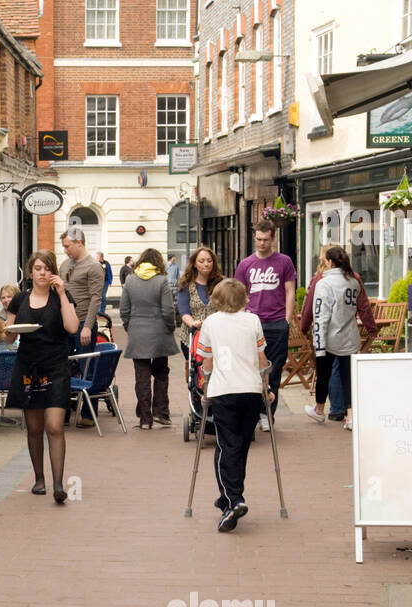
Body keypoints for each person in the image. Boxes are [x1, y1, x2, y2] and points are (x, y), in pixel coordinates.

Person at [196, 279, 271, 533]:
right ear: (243, 299)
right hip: (250, 391)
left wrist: (204, 390)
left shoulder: (210, 323)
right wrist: (266, 388)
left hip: (224, 392)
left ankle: (233, 499)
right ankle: (228, 496)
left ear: (216, 300)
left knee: (225, 446)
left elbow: (207, 363)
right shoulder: (253, 321)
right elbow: (262, 361)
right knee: (239, 446)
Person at [6, 250, 79, 503]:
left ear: (53, 272)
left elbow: (72, 328)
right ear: (30, 272)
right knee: (35, 428)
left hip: (56, 366)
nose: (42, 273)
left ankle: (58, 484)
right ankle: (39, 478)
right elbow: (9, 335)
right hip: (28, 366)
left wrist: (61, 293)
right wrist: (6, 329)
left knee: (54, 426)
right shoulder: (20, 300)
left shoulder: (62, 297)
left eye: (47, 268)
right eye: (38, 268)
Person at [300, 252, 376, 422]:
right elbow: (362, 307)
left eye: (325, 260)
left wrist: (318, 344)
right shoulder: (354, 282)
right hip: (350, 336)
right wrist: (372, 330)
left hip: (329, 338)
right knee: (348, 378)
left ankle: (319, 410)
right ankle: (350, 416)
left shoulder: (324, 283)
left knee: (324, 375)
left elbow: (321, 315)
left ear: (330, 262)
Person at [235, 220, 296, 431]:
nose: (261, 244)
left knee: (274, 370)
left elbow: (290, 291)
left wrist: (287, 320)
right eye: (258, 239)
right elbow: (239, 295)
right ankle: (253, 412)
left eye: (266, 240)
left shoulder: (284, 261)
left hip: (277, 322)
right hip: (253, 322)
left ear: (273, 238)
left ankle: (267, 414)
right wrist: (241, 320)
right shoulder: (245, 264)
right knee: (252, 369)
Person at [120, 248, 178, 429]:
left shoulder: (130, 280)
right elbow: (168, 311)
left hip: (137, 334)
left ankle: (145, 419)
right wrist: (170, 328)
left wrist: (131, 328)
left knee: (142, 377)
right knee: (161, 373)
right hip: (160, 333)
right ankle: (161, 413)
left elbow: (124, 311)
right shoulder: (162, 281)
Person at [58, 227, 105, 427]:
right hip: (65, 324)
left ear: (79, 243)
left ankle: (88, 413)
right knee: (63, 367)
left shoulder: (94, 267)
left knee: (87, 368)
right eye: (64, 247)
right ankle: (64, 413)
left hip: (84, 323)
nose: (65, 250)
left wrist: (88, 326)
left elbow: (96, 298)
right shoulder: (65, 264)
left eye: (68, 246)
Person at [176, 246, 224, 359]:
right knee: (195, 371)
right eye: (201, 261)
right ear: (194, 264)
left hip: (216, 337)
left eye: (209, 261)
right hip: (192, 338)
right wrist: (192, 323)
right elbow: (184, 311)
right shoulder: (186, 284)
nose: (206, 264)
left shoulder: (221, 284)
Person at [97, 251, 113, 316]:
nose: (96, 258)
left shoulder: (106, 263)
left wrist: (110, 281)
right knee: (98, 296)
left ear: (101, 257)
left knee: (103, 296)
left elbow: (109, 272)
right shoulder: (96, 263)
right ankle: (97, 311)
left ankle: (102, 311)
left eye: (97, 256)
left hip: (105, 282)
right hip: (97, 282)